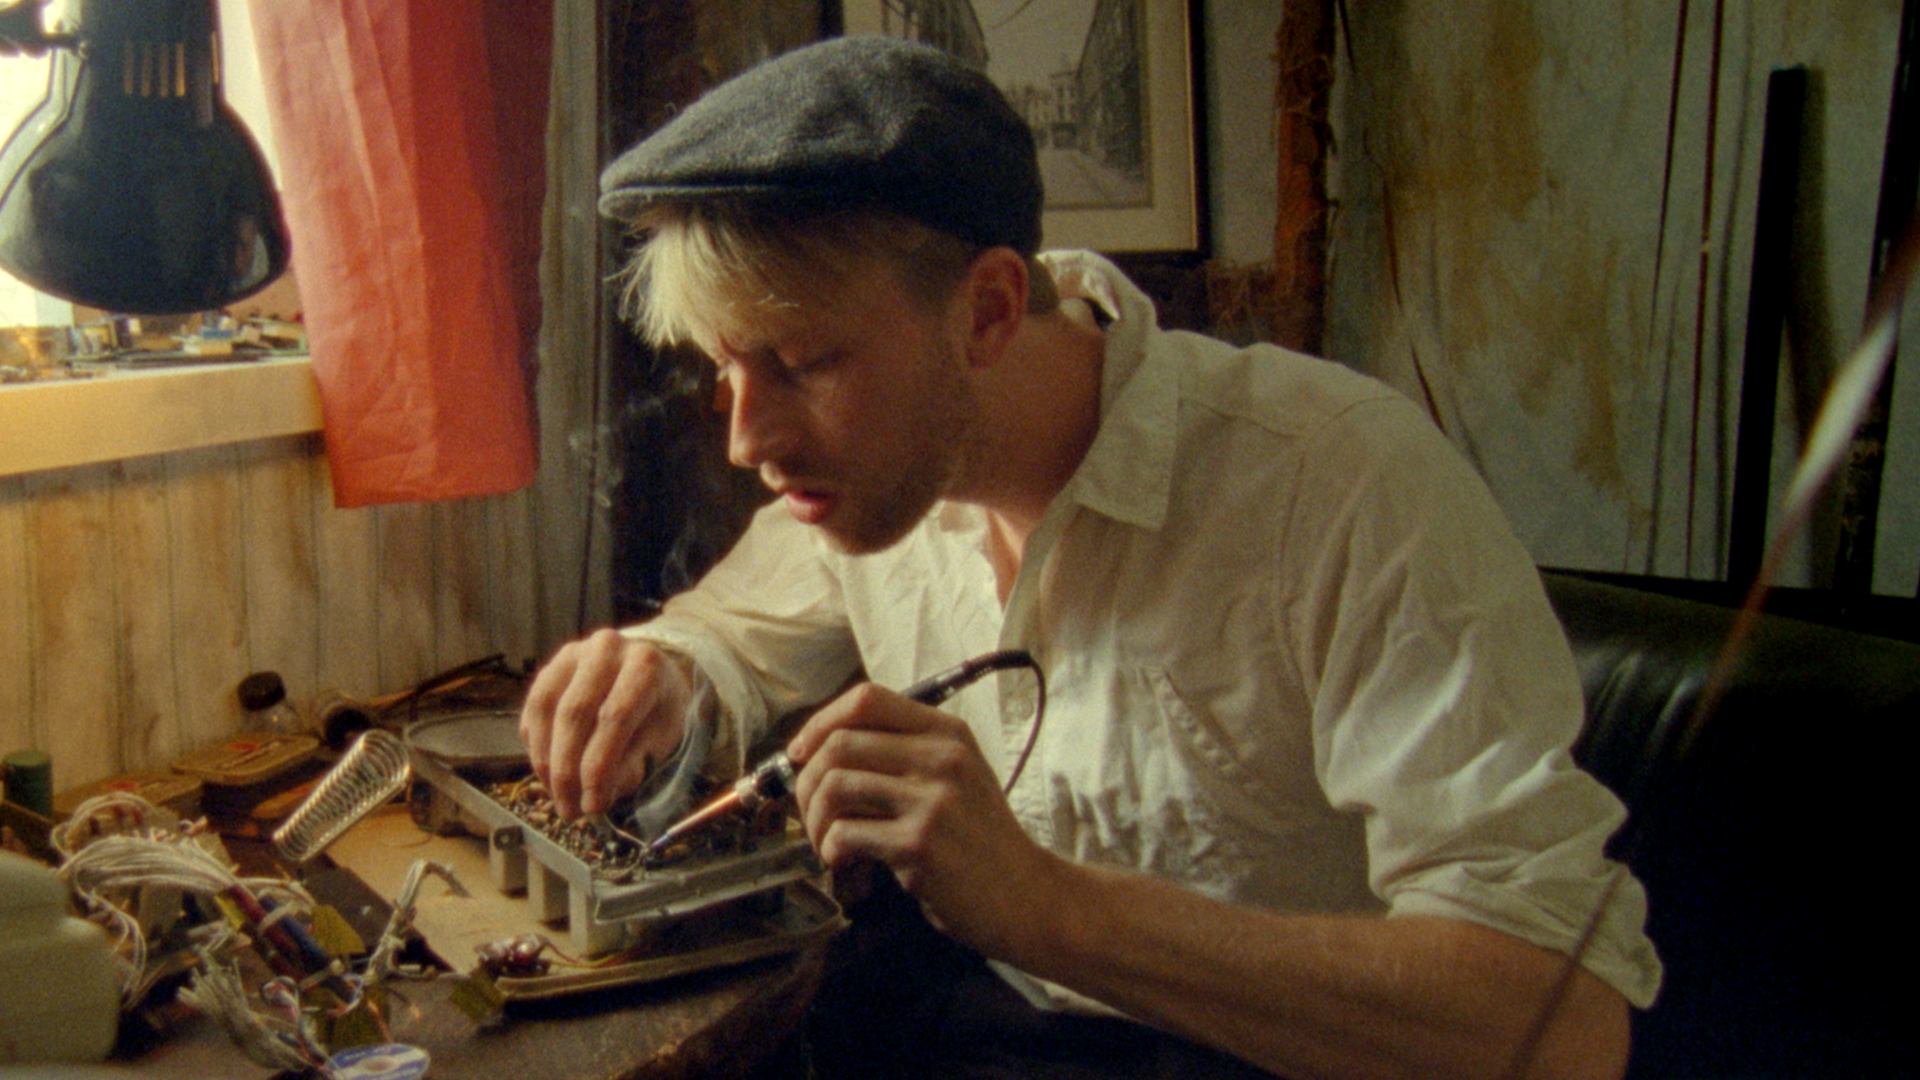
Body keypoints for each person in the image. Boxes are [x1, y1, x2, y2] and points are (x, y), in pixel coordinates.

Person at [519, 34, 1661, 1080]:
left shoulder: (1344, 486)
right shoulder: (873, 480)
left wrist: (1047, 907)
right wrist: (665, 668)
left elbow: (1560, 1028)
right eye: (724, 367)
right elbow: (730, 635)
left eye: (802, 362)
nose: (746, 439)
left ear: (990, 311)